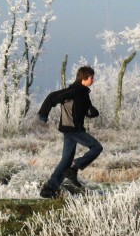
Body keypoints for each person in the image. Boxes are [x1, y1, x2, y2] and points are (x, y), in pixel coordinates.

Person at [37, 66, 103, 198]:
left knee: (66, 161)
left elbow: (85, 110)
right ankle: (74, 168)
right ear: (84, 78)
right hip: (73, 129)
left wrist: (92, 112)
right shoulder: (73, 90)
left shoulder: (84, 93)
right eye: (91, 78)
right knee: (96, 147)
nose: (93, 80)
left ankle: (49, 188)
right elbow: (52, 97)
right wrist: (42, 116)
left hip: (72, 130)